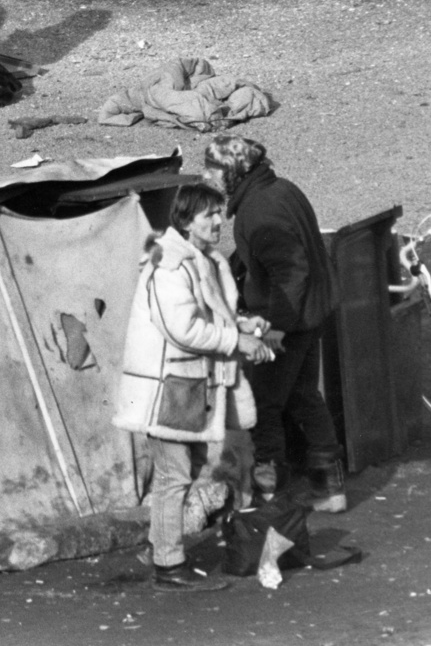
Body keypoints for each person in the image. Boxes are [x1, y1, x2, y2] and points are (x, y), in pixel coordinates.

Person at [113, 182, 275, 593]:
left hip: (188, 387)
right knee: (173, 476)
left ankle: (162, 548)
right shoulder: (170, 266)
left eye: (221, 212)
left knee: (186, 469)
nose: (221, 221)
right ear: (186, 221)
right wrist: (236, 341)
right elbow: (181, 328)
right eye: (210, 215)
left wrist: (242, 325)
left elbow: (210, 315)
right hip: (168, 390)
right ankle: (168, 566)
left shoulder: (202, 260)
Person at [203, 135, 346, 512]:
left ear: (233, 171)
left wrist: (274, 329)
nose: (208, 178)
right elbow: (284, 256)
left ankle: (272, 495)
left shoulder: (258, 211)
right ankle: (329, 488)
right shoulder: (281, 189)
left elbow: (290, 272)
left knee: (265, 404)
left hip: (290, 320)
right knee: (303, 395)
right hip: (313, 311)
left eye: (214, 169)